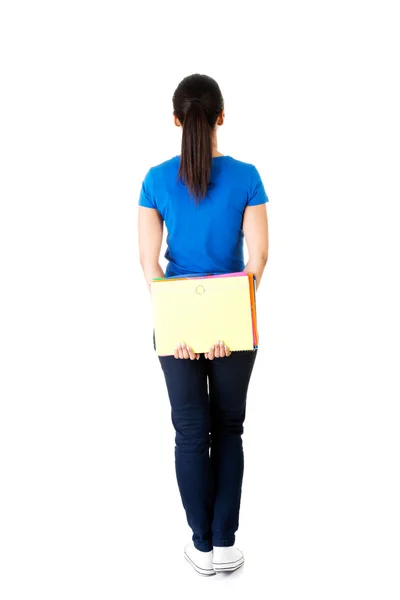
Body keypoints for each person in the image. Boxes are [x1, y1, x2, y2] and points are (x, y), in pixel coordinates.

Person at [138, 73, 269, 576]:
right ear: (220, 117)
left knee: (191, 433)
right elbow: (258, 259)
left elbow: (150, 265)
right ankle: (224, 544)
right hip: (235, 321)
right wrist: (225, 315)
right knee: (228, 429)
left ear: (176, 119)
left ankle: (200, 546)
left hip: (175, 326)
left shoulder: (154, 179)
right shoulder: (247, 175)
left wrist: (183, 322)